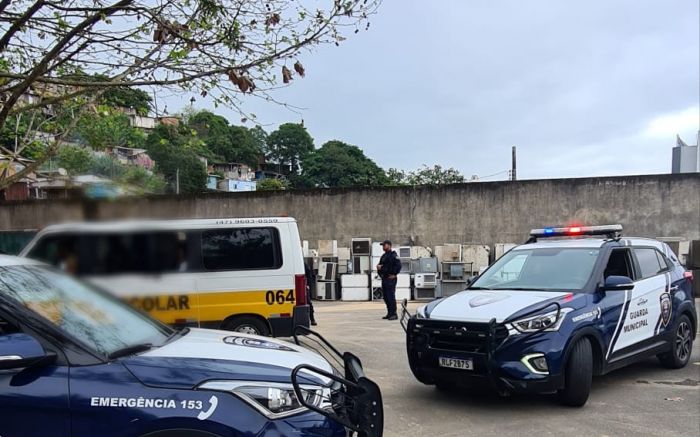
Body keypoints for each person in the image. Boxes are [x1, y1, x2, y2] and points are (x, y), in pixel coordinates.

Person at [377, 240, 401, 320]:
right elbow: (380, 266)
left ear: (389, 246)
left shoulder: (393, 255)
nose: (383, 247)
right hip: (385, 278)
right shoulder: (384, 256)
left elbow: (398, 266)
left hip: (391, 279)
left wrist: (394, 274)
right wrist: (380, 271)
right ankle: (389, 313)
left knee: (390, 296)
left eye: (384, 245)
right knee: (386, 297)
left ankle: (394, 314)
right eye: (383, 245)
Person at [304, 261, 317, 326]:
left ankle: (312, 319)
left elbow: (309, 275)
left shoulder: (303, 264)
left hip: (303, 286)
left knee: (308, 302)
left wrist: (308, 285)